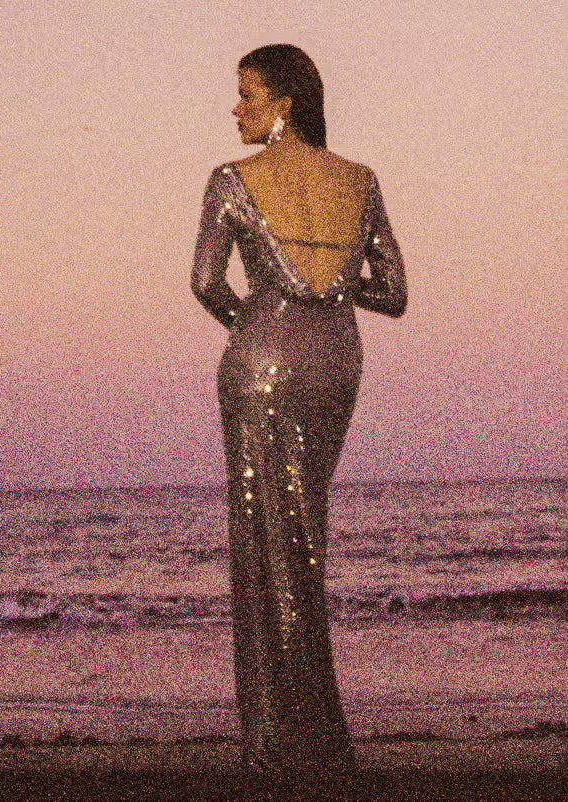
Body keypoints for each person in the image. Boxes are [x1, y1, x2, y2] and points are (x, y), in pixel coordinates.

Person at [191, 44, 407, 791]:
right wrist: (332, 289)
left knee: (266, 544)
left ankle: (281, 743)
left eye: (246, 94)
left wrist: (257, 323)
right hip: (336, 363)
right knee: (304, 532)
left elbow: (205, 282)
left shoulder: (232, 180)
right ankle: (318, 735)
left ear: (282, 103)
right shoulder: (360, 180)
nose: (236, 108)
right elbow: (393, 293)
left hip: (261, 363)